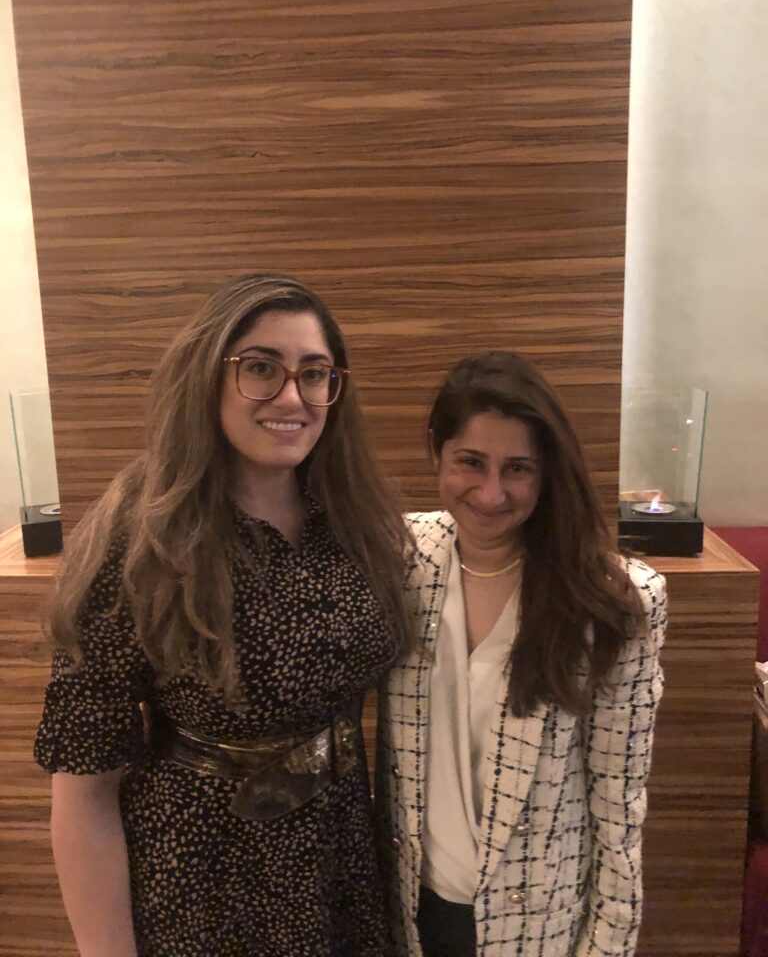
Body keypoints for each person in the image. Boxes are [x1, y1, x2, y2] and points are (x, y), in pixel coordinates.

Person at [35, 273, 413, 957]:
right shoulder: (139, 540)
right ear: (207, 377)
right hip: (204, 878)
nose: (292, 397)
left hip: (341, 864)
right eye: (261, 368)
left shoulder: (353, 519)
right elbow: (84, 791)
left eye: (314, 373)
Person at [376, 351, 667, 957]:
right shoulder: (398, 558)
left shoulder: (613, 601)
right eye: (470, 462)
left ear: (547, 472)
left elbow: (618, 806)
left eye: (517, 469)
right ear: (438, 452)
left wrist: (607, 946)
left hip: (536, 925)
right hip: (410, 911)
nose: (491, 493)